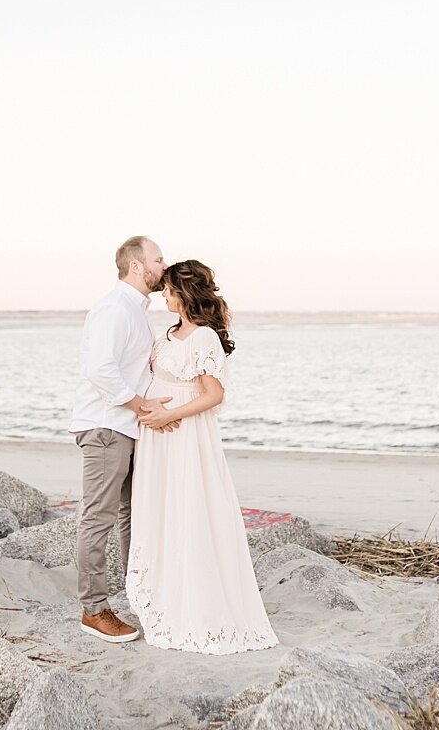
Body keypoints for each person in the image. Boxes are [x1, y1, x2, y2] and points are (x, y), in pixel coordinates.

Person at [125, 260, 279, 654]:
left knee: (188, 508)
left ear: (185, 292)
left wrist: (168, 414)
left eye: (170, 289)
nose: (164, 295)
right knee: (161, 511)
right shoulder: (168, 334)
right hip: (157, 437)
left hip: (184, 435)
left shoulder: (205, 338)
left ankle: (196, 603)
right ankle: (164, 595)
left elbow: (213, 394)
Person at [69, 235, 176, 643]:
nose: (163, 266)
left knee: (134, 515)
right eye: (158, 259)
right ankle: (94, 610)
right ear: (136, 266)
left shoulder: (136, 311)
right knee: (98, 518)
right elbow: (100, 369)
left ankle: (140, 594)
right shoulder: (114, 308)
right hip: (105, 426)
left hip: (128, 428)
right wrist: (139, 405)